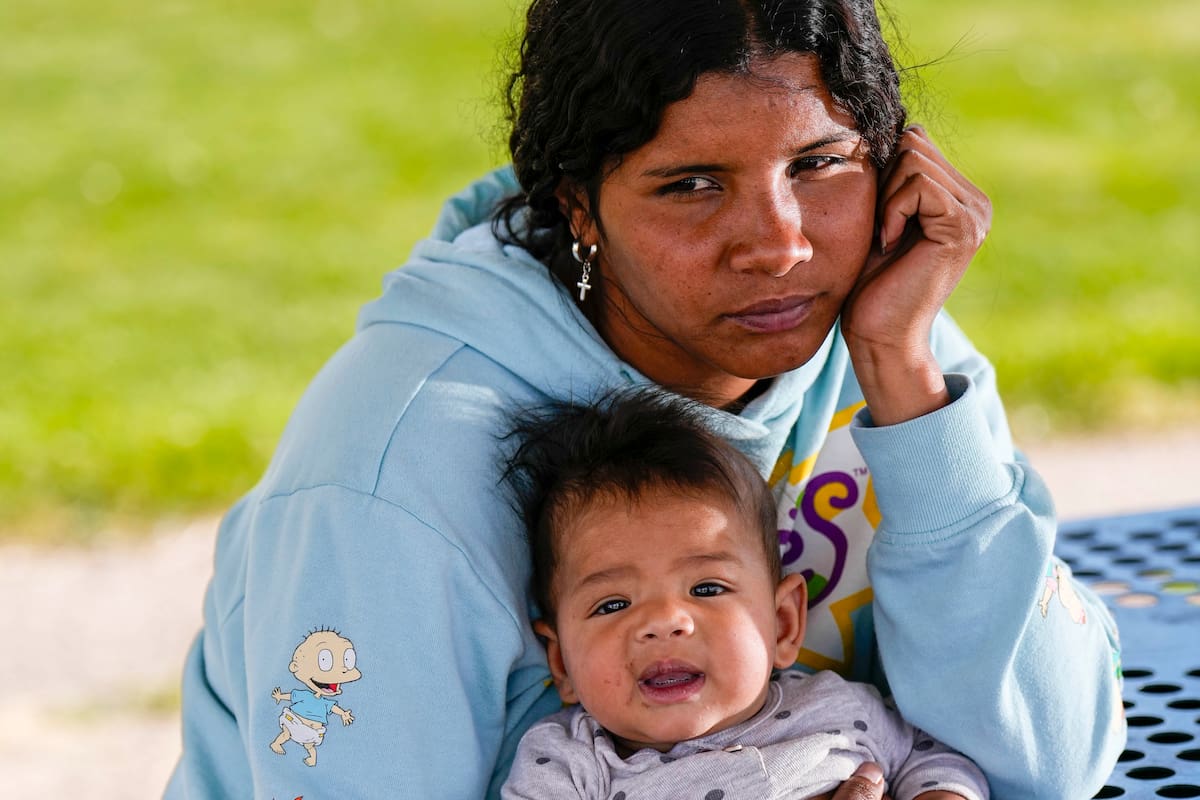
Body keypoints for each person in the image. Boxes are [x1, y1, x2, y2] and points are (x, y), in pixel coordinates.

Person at [166, 1, 1126, 798]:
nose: (779, 245)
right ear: (578, 205)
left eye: (819, 164)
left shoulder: (878, 336)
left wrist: (908, 384)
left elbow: (1050, 762)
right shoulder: (389, 477)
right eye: (692, 185)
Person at [499, 389, 990, 800]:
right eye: (613, 604)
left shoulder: (839, 710)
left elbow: (936, 760)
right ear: (562, 662)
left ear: (782, 624)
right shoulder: (569, 763)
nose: (665, 620)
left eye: (706, 588)